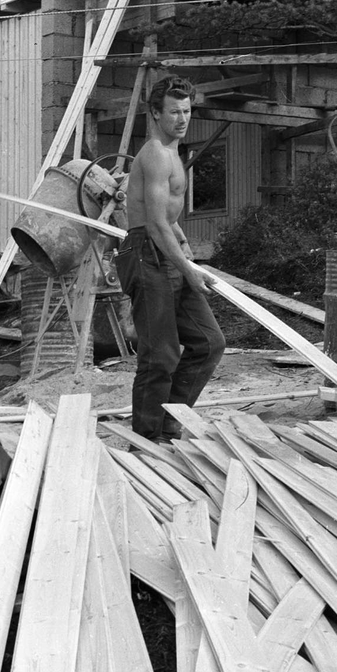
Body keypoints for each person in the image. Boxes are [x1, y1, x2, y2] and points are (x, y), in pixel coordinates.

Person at [115, 75, 226, 442]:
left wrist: (185, 250)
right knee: (159, 355)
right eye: (174, 112)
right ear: (155, 114)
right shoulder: (155, 154)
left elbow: (169, 221)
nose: (182, 119)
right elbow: (155, 223)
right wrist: (189, 271)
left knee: (209, 343)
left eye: (187, 111)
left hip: (165, 248)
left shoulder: (174, 153)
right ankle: (146, 442)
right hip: (146, 254)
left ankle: (169, 420)